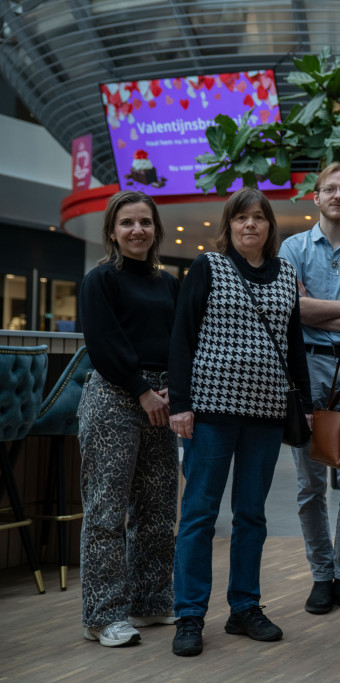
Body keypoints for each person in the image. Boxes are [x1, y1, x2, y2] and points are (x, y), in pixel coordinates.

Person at [167, 187, 312, 657]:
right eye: (241, 218)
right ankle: (189, 615)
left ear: (270, 228)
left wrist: (305, 403)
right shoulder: (208, 267)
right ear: (228, 225)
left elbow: (293, 347)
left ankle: (244, 607)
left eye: (259, 218)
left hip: (268, 415)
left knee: (252, 515)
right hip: (211, 412)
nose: (250, 225)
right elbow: (182, 338)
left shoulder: (287, 274)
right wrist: (181, 404)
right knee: (199, 515)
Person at [77, 191, 180, 647]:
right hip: (116, 398)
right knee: (105, 511)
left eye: (144, 222)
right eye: (127, 223)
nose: (137, 230)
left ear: (155, 229)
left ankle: (152, 600)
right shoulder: (100, 280)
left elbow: (181, 339)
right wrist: (142, 391)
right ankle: (103, 616)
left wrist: (172, 389)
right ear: (112, 231)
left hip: (163, 397)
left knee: (158, 510)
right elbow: (103, 343)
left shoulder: (169, 282)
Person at [279, 163, 340, 615]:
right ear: (316, 197)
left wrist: (315, 308)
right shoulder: (292, 248)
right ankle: (321, 574)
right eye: (329, 189)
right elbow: (291, 310)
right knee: (309, 485)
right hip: (306, 372)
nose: (338, 195)